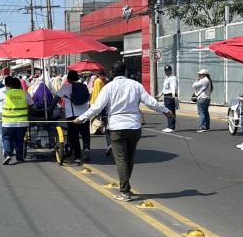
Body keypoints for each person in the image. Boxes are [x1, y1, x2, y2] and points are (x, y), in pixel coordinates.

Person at [74, 61, 174, 201]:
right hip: (134, 126)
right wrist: (166, 111)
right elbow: (150, 102)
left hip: (116, 127)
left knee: (121, 160)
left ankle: (125, 191)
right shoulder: (136, 85)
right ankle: (126, 186)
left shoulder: (108, 87)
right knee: (129, 158)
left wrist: (81, 118)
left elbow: (96, 107)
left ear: (111, 74)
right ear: (126, 72)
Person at [0, 76, 33, 165]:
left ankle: (8, 154)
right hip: (22, 122)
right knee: (19, 139)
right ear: (20, 85)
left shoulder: (4, 94)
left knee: (7, 138)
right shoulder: (25, 94)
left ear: (10, 85)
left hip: (8, 122)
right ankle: (19, 157)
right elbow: (31, 105)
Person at [62, 71, 91, 164]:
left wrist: (50, 108)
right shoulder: (84, 86)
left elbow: (56, 99)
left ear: (68, 79)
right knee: (85, 133)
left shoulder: (65, 87)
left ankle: (78, 156)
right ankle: (86, 148)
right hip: (85, 113)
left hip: (72, 115)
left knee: (74, 136)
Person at [160, 65, 179, 133]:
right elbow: (164, 88)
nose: (167, 72)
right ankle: (170, 126)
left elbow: (173, 86)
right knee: (168, 111)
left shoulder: (172, 78)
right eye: (166, 71)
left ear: (171, 71)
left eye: (168, 70)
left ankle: (171, 127)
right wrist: (160, 94)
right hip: (166, 96)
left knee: (170, 111)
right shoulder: (166, 78)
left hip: (170, 96)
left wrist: (174, 94)